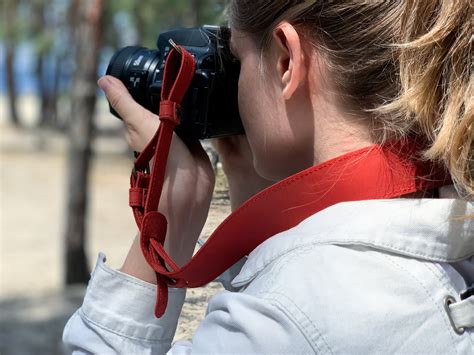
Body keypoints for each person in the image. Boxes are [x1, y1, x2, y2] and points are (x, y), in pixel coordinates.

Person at [62, 0, 473, 353]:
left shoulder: (289, 318)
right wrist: (256, 203)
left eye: (238, 61)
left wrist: (168, 222)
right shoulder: (452, 232)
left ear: (286, 62)